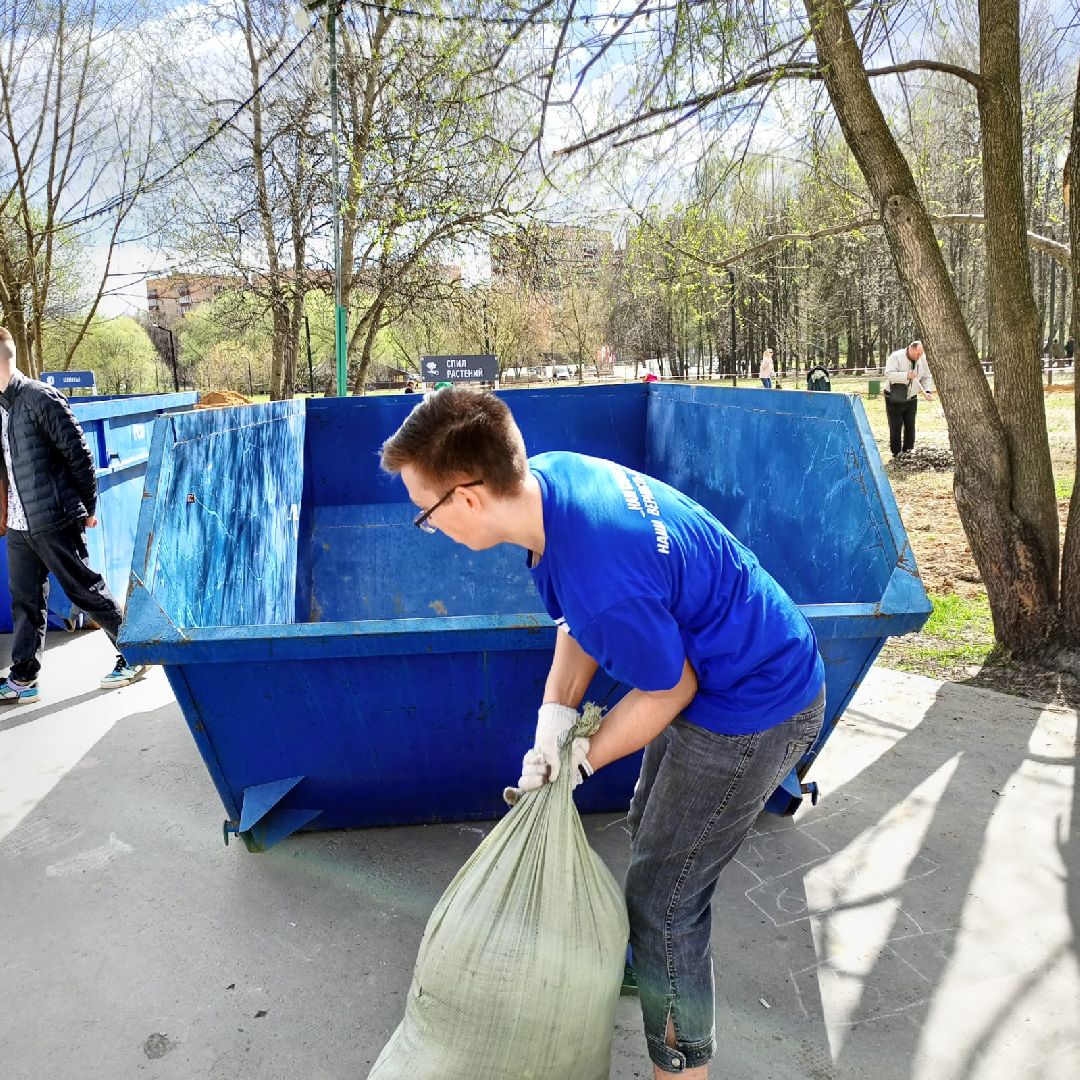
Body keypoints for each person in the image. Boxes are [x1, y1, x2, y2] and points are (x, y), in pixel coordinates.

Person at [380, 388, 825, 1080]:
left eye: (424, 512)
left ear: (467, 498)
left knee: (667, 899)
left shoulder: (601, 576)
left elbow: (670, 688)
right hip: (730, 666)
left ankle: (682, 1065)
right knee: (654, 828)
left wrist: (581, 758)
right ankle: (640, 962)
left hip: (755, 706)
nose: (427, 524)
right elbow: (577, 624)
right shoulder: (550, 487)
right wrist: (553, 720)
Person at [0, 327, 146, 704]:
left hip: (54, 516)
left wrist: (89, 506)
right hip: (20, 523)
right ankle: (23, 678)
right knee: (25, 601)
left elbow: (79, 454)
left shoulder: (39, 397)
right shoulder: (1, 406)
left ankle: (136, 653)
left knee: (84, 589)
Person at [883, 339, 932, 457]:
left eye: (921, 354)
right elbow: (889, 374)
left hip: (912, 397)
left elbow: (926, 376)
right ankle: (896, 453)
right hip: (894, 397)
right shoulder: (896, 357)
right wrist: (906, 375)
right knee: (896, 425)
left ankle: (908, 451)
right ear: (911, 348)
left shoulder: (922, 359)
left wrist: (927, 391)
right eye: (917, 354)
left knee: (910, 425)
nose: (919, 356)